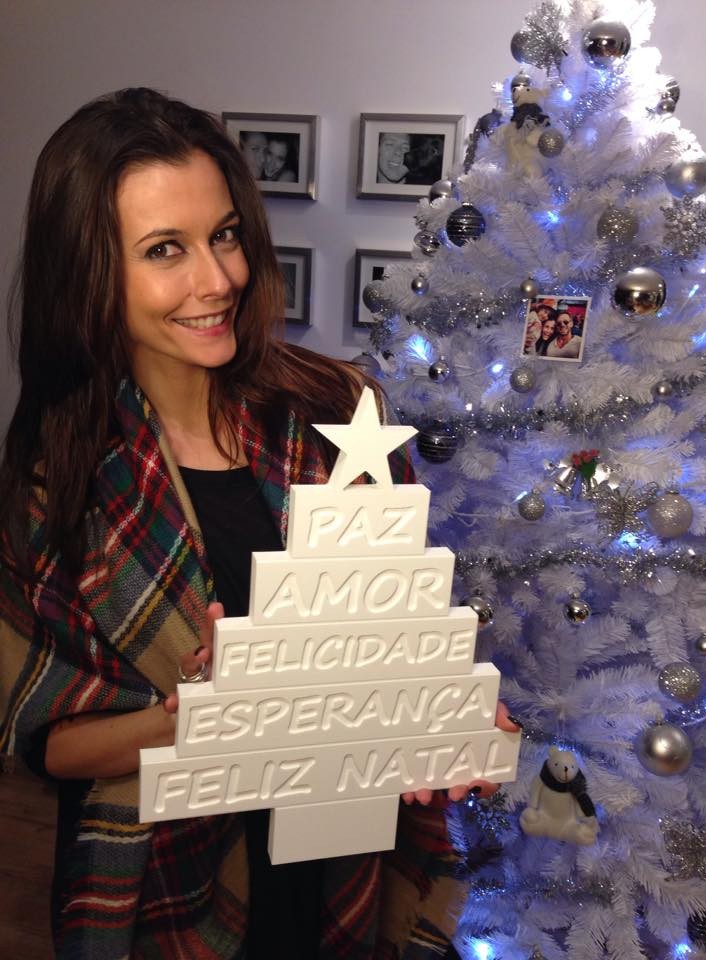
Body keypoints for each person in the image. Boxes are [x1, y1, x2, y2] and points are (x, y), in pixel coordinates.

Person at [0, 87, 520, 959]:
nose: (218, 280)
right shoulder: (58, 480)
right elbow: (49, 741)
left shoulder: (338, 413)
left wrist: (441, 718)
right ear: (89, 272)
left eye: (226, 235)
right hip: (164, 886)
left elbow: (391, 638)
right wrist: (205, 714)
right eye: (165, 250)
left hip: (339, 862)